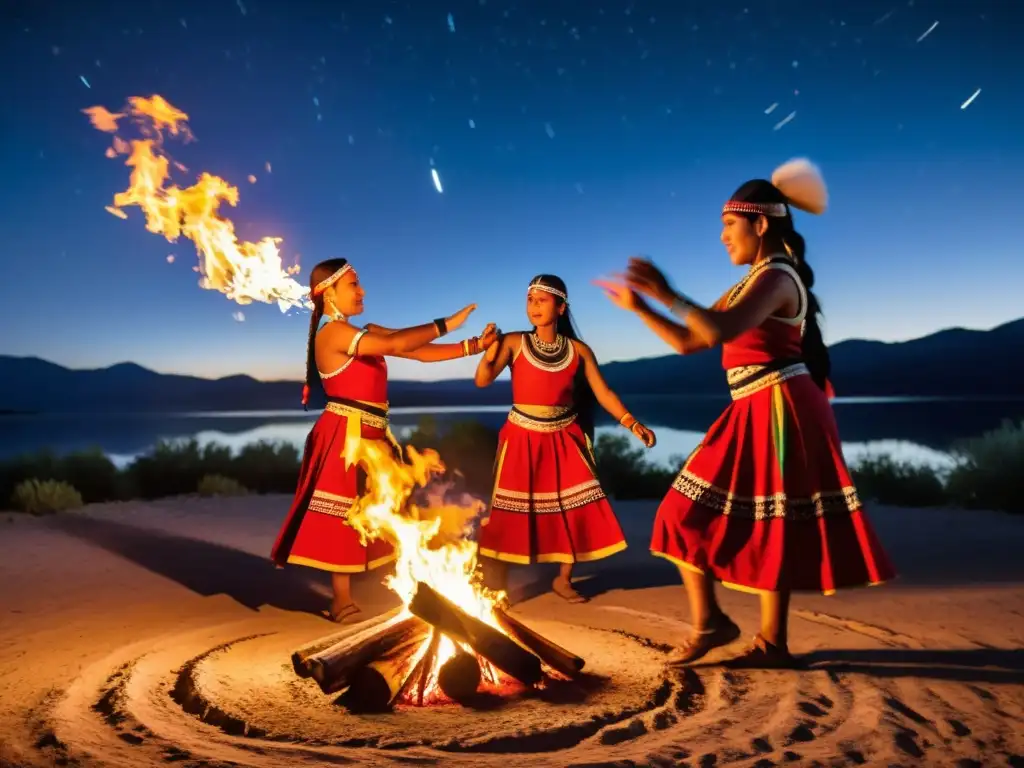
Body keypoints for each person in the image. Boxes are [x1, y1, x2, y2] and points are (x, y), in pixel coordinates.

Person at [596, 159, 895, 667]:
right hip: (752, 404)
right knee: (684, 512)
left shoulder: (778, 277)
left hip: (780, 404)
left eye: (728, 225)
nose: (721, 237)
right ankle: (714, 622)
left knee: (770, 521)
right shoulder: (750, 281)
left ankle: (768, 643)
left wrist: (666, 291)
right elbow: (693, 339)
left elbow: (717, 330)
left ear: (760, 224)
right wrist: (642, 307)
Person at [271, 258, 498, 622]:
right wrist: (449, 323)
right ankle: (340, 599)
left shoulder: (364, 332)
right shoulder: (332, 334)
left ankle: (408, 578)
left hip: (373, 431)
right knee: (344, 511)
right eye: (353, 285)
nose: (362, 292)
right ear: (328, 292)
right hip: (346, 432)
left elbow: (415, 350)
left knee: (382, 505)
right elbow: (396, 343)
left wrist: (472, 345)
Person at [474, 274, 656, 603]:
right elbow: (483, 381)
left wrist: (632, 423)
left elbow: (603, 392)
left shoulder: (579, 351)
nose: (534, 307)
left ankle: (563, 579)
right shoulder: (514, 342)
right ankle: (495, 582)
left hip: (565, 437)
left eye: (542, 300)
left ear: (561, 307)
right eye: (530, 300)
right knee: (508, 512)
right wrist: (488, 353)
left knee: (570, 509)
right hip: (522, 436)